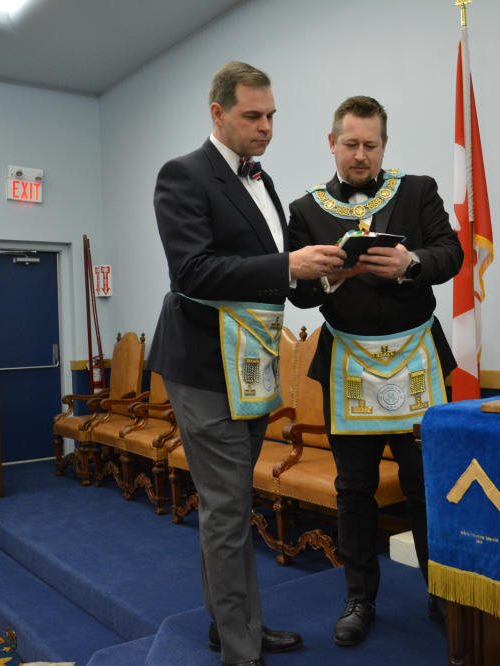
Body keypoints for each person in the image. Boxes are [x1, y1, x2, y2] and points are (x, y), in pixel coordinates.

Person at [148, 61, 346, 666]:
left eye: (271, 116)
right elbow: (192, 272)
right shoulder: (183, 175)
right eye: (252, 116)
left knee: (230, 503)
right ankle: (240, 647)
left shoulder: (263, 180)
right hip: (204, 364)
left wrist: (327, 274)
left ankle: (233, 626)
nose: (265, 128)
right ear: (218, 113)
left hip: (252, 364)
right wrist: (289, 264)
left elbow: (276, 282)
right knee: (228, 506)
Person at [288, 95, 464, 646]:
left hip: (416, 359)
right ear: (332, 143)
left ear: (384, 145)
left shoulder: (419, 190)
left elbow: (452, 253)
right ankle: (359, 598)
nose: (360, 154)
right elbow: (297, 293)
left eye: (370, 144)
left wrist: (412, 263)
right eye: (350, 144)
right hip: (348, 363)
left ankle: (443, 593)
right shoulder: (305, 209)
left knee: (426, 487)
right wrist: (329, 278)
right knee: (354, 491)